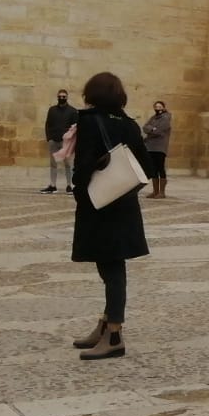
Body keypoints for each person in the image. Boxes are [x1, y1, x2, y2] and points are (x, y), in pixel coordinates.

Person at [69, 72, 151, 360]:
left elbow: (83, 166)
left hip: (99, 203)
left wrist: (79, 192)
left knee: (112, 269)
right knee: (111, 265)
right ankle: (106, 323)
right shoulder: (130, 124)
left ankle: (114, 334)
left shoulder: (90, 121)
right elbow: (146, 165)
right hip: (124, 203)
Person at [41, 89, 78, 194]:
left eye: (63, 97)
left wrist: (71, 140)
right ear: (57, 97)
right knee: (53, 164)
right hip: (53, 140)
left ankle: (70, 185)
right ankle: (53, 186)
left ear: (67, 97)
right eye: (60, 96)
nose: (61, 98)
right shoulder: (52, 110)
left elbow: (75, 127)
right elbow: (48, 124)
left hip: (66, 142)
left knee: (68, 164)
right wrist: (49, 138)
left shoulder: (72, 111)